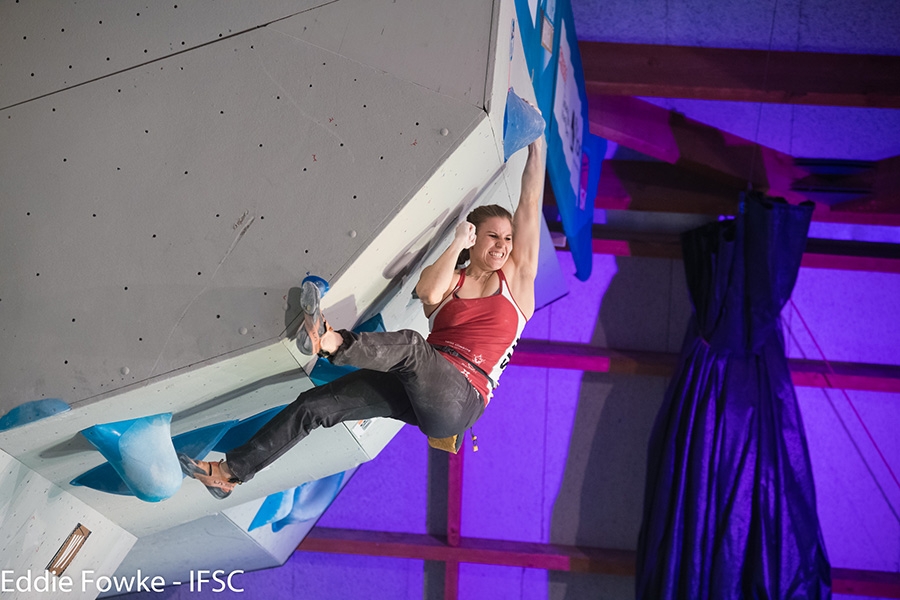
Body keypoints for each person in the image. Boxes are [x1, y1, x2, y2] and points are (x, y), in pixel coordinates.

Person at [180, 138, 545, 499]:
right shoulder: (452, 281)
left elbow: (528, 203)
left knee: (413, 347)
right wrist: (455, 244)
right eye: (492, 236)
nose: (502, 245)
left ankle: (330, 341)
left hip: (461, 400)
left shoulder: (517, 282)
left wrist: (537, 148)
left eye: (508, 238)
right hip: (417, 385)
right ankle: (230, 474)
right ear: (473, 238)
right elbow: (428, 294)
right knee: (316, 405)